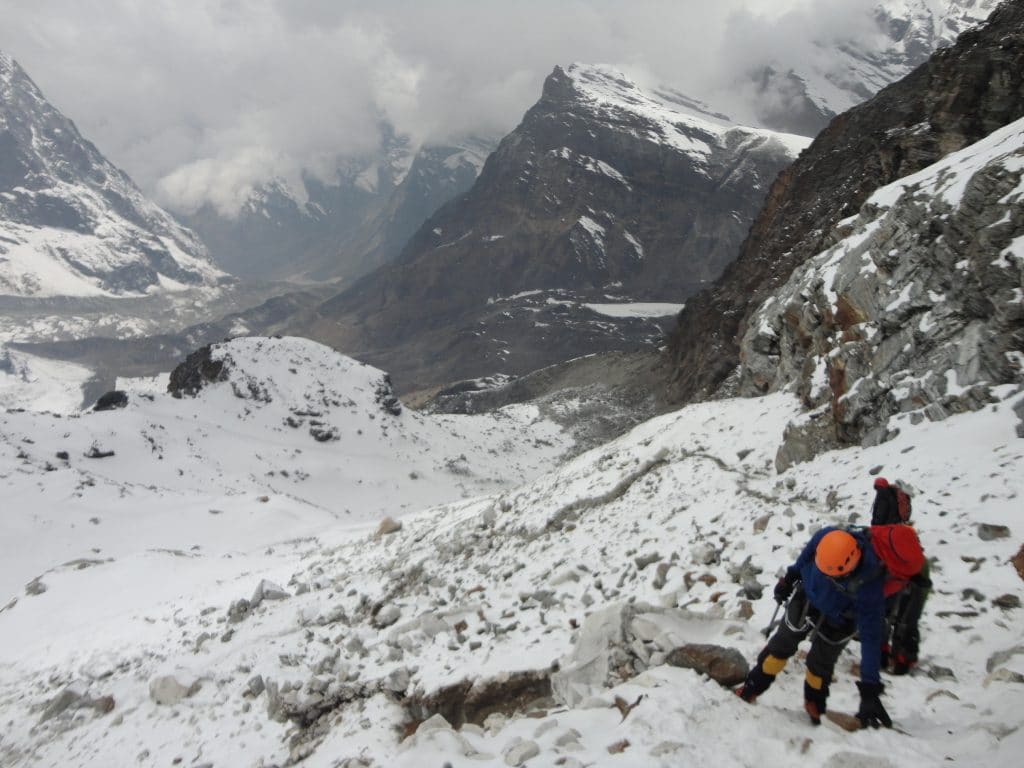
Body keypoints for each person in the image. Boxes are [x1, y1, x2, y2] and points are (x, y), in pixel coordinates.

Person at [736, 524, 923, 728]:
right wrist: (789, 578)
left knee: (820, 663)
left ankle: (815, 706)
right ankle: (752, 686)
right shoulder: (828, 536)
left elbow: (871, 639)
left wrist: (870, 689)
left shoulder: (870, 589)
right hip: (808, 597)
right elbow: (807, 555)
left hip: (841, 617)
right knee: (780, 646)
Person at [870, 478, 931, 674]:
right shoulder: (902, 529)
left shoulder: (883, 496)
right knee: (908, 611)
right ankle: (903, 657)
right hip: (899, 559)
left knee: (882, 609)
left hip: (881, 547)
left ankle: (880, 652)